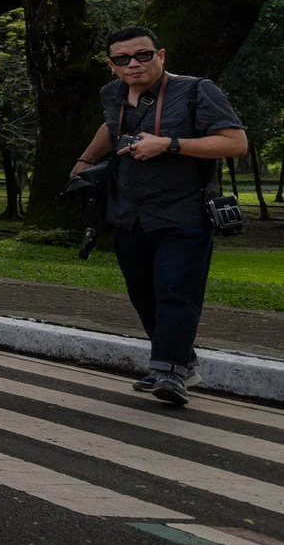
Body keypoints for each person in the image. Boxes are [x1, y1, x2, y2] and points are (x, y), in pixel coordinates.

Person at [69, 25, 248, 407]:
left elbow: (235, 143)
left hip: (182, 213)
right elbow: (111, 125)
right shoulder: (112, 94)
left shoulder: (198, 91)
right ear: (112, 65)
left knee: (175, 292)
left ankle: (168, 372)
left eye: (142, 55)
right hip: (127, 213)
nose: (133, 64)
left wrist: (170, 144)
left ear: (160, 55)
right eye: (123, 59)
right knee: (143, 294)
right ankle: (180, 361)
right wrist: (86, 160)